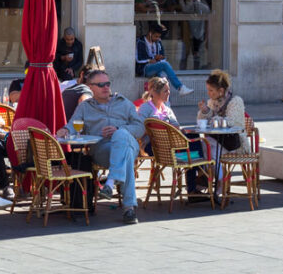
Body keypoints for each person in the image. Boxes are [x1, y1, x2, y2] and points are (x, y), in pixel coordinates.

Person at [57, 69, 144, 225]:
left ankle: (111, 182)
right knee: (127, 156)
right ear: (91, 87)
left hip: (127, 143)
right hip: (102, 149)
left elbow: (140, 128)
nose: (106, 87)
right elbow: (71, 125)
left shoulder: (124, 103)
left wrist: (119, 129)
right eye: (101, 84)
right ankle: (128, 208)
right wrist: (65, 130)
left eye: (107, 84)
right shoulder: (85, 106)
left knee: (121, 135)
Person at [197, 69, 250, 155]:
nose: (208, 93)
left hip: (234, 143)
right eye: (208, 90)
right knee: (201, 147)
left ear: (221, 91)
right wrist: (205, 111)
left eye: (211, 90)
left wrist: (215, 119)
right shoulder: (212, 102)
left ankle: (213, 168)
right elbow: (204, 121)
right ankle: (207, 168)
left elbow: (231, 122)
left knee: (212, 151)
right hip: (217, 139)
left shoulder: (235, 101)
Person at [135, 22, 194, 95]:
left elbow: (163, 57)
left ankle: (165, 101)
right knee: (164, 65)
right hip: (144, 68)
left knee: (162, 78)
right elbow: (138, 59)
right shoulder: (140, 42)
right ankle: (180, 87)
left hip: (156, 67)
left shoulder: (158, 42)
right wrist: (150, 60)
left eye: (159, 37)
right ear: (150, 34)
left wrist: (159, 58)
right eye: (156, 36)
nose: (157, 39)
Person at [181, 0, 210, 69]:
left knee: (186, 54)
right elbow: (207, 22)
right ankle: (196, 68)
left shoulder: (189, 7)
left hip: (190, 33)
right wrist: (207, 35)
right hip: (201, 33)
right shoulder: (205, 7)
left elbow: (184, 10)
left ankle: (183, 69)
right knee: (197, 54)